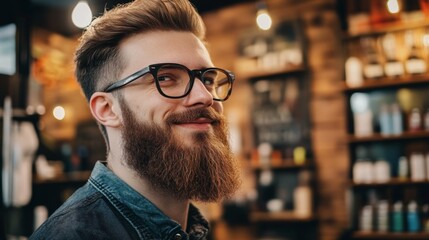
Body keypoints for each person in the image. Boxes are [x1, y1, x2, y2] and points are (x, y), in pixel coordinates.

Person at [30, 0, 241, 239]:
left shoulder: (190, 228)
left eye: (209, 79)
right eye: (165, 78)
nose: (204, 96)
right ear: (107, 109)